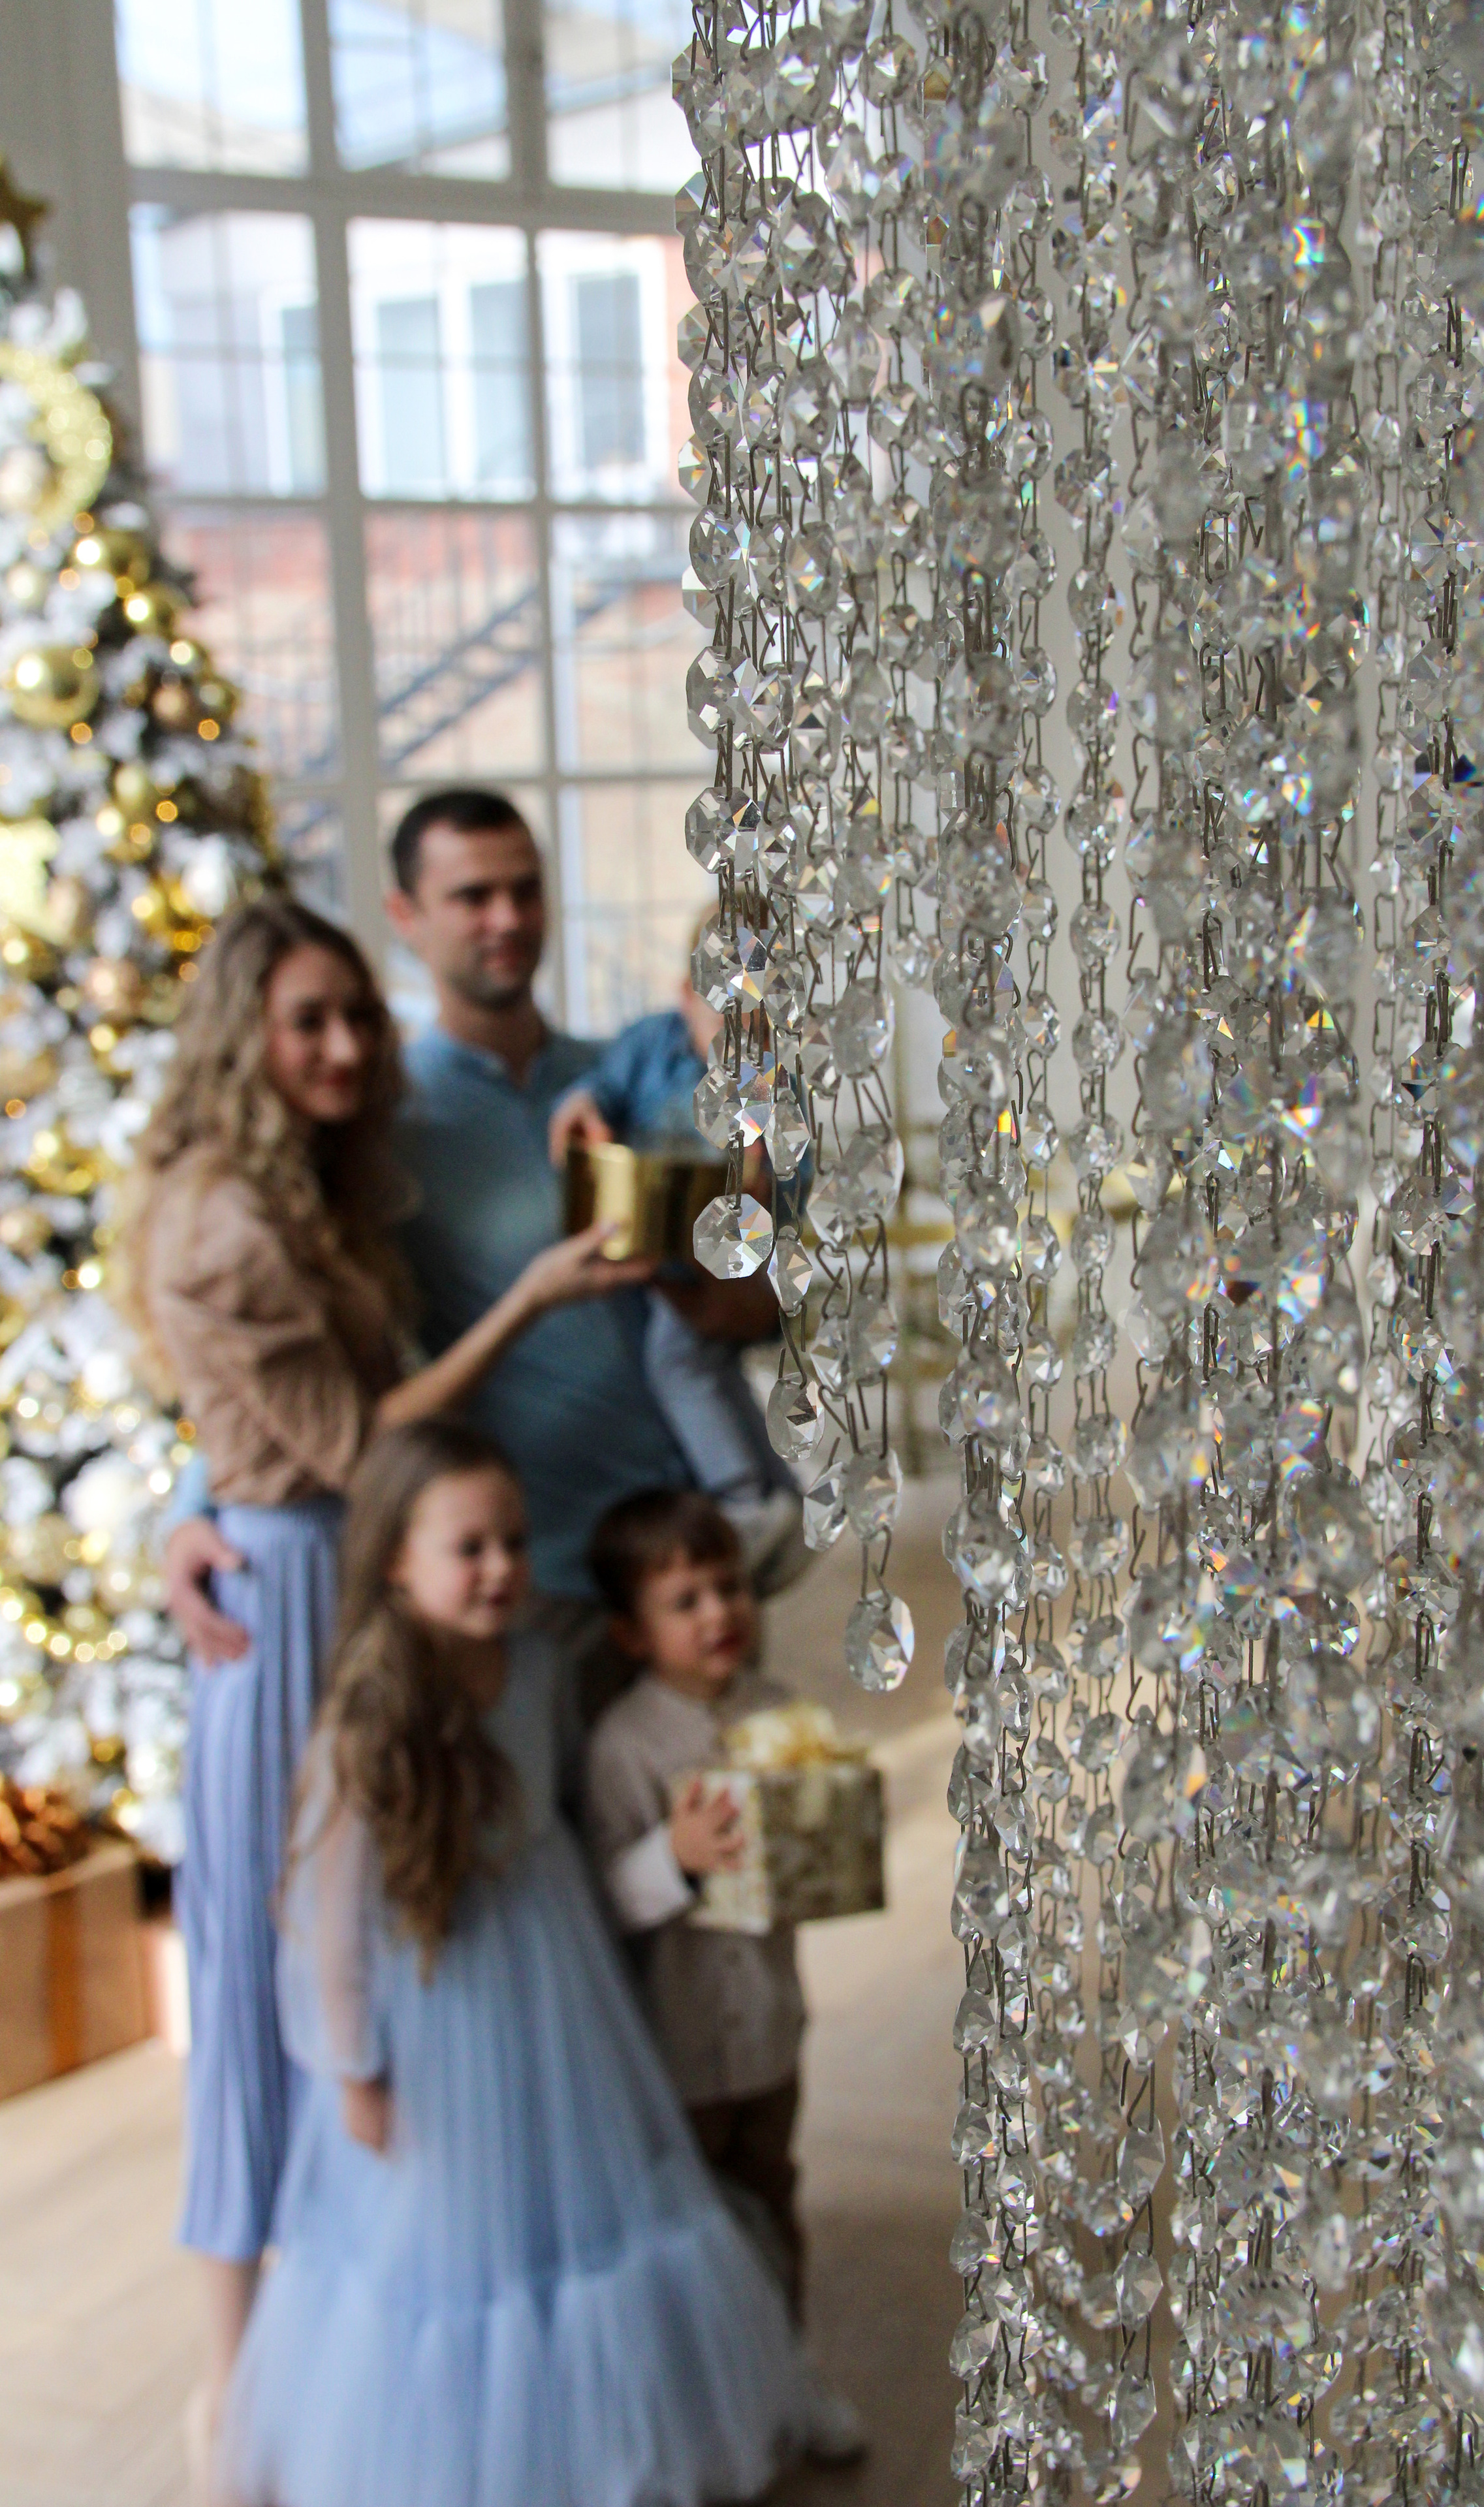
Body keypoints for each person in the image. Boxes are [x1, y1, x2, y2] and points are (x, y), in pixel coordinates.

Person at [119, 897, 639, 2459]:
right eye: (306, 1021)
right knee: (271, 1993)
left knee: (377, 1988)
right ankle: (237, 2414)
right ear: (245, 1038)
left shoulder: (328, 1179)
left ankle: (340, 2378)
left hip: (344, 1584)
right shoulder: (224, 1214)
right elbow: (358, 1453)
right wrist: (530, 1298)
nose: (343, 1046)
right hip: (284, 1606)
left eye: (354, 1012)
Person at [224, 1419, 831, 2507]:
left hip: (555, 1971)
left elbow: (558, 1802)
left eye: (513, 1541)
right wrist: (353, 2064)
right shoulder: (370, 1708)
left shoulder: (542, 1662)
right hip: (440, 1992)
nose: (503, 1567)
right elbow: (328, 1914)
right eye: (470, 1548)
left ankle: (613, 2438)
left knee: (593, 2201)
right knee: (459, 2226)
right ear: (397, 1561)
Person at [165, 787, 795, 1733]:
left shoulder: (638, 1081)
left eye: (525, 889)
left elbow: (767, 1301)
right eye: (472, 897)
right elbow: (284, 1329)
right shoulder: (378, 1123)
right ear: (406, 917)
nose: (507, 919)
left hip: (683, 1565)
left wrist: (730, 1301)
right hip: (521, 1576)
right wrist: (192, 1503)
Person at [584, 1489, 861, 2455]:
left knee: (775, 2200)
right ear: (630, 1632)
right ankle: (701, 2404)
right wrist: (677, 1851)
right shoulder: (626, 1746)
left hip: (772, 2029)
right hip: (680, 2044)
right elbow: (610, 1899)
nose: (719, 1614)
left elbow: (816, 1865)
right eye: (687, 1601)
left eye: (730, 1588)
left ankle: (792, 2376)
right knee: (697, 2228)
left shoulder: (781, 1712)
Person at [550, 929, 806, 1590]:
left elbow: (794, 1205)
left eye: (762, 1009)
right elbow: (595, 1092)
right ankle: (762, 1496)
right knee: (695, 1368)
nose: (740, 1027)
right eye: (721, 1004)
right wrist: (579, 1110)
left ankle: (750, 1499)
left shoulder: (776, 1093)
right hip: (649, 1243)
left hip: (717, 1268)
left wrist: (766, 1190)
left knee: (693, 1361)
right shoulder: (647, 1047)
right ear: (683, 998)